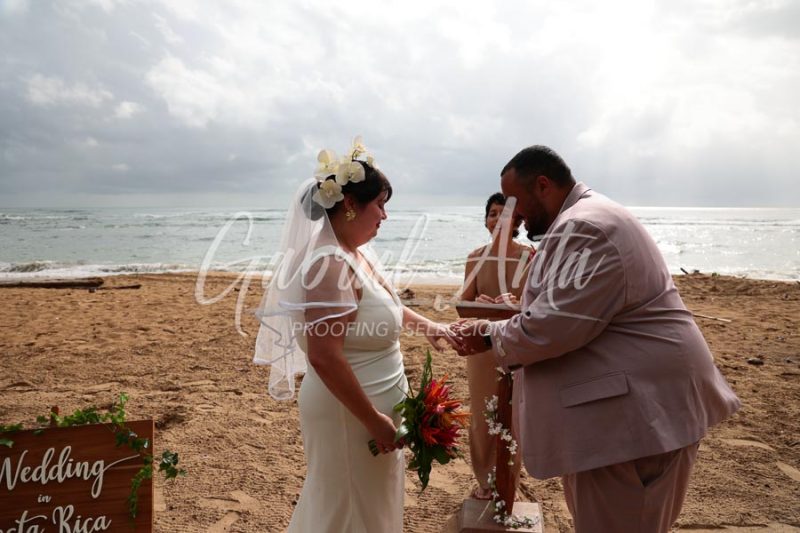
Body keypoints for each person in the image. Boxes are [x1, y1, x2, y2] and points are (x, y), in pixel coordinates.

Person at [452, 145, 741, 532]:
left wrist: (486, 334)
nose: (512, 215)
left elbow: (552, 328)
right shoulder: (586, 217)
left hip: (632, 421)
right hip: (633, 418)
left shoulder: (583, 227)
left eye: (515, 203)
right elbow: (576, 310)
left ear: (543, 185)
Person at [253, 138, 457, 533]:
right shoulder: (328, 264)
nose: (384, 215)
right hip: (352, 415)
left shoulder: (353, 252)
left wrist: (429, 327)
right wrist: (375, 419)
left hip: (373, 409)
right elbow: (323, 355)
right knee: (346, 513)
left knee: (367, 510)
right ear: (349, 204)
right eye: (380, 204)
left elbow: (385, 306)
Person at [460, 192, 534, 499]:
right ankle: (484, 482)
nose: (497, 219)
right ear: (486, 219)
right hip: (481, 349)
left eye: (505, 214)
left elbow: (536, 308)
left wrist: (506, 306)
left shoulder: (530, 257)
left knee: (514, 415)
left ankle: (508, 482)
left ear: (517, 221)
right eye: (492, 213)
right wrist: (490, 308)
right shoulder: (475, 258)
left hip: (517, 345)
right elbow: (462, 308)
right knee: (481, 416)